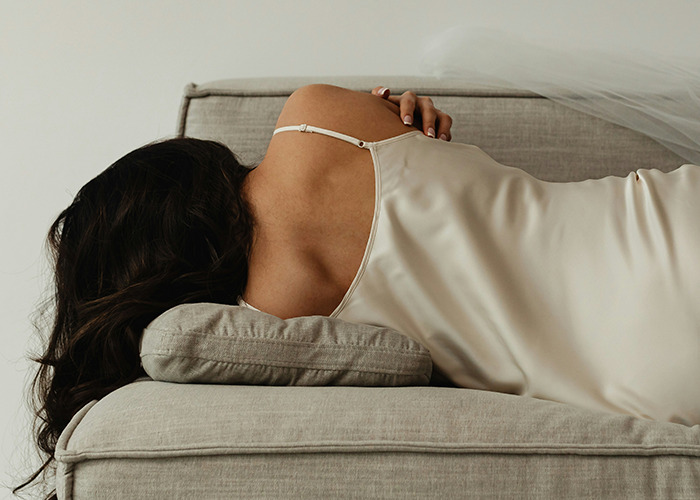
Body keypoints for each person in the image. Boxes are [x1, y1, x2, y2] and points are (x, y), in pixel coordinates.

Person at [18, 83, 700, 497]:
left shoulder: (263, 313)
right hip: (670, 210)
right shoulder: (316, 113)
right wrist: (400, 118)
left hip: (648, 369)